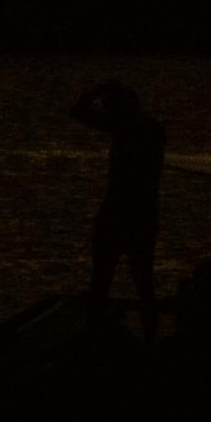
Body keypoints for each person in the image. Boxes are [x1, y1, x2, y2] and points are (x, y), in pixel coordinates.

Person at [65, 81, 167, 321]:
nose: (108, 111)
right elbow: (79, 113)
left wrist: (95, 91)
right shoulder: (143, 126)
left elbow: (78, 112)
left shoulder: (132, 126)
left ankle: (97, 329)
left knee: (108, 278)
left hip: (125, 212)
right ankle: (145, 337)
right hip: (139, 213)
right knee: (142, 281)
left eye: (111, 106)